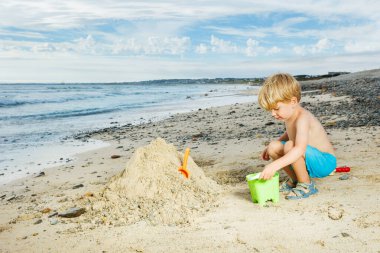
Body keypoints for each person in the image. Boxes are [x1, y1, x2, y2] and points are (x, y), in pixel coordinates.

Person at [258, 73, 336, 200]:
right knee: (273, 147)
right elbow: (289, 133)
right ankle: (295, 180)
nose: (273, 114)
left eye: (276, 109)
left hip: (325, 162)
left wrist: (274, 165)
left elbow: (299, 149)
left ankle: (306, 185)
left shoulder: (303, 118)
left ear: (293, 101)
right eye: (271, 110)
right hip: (309, 156)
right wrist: (270, 148)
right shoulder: (290, 116)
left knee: (290, 146)